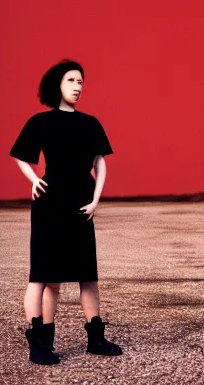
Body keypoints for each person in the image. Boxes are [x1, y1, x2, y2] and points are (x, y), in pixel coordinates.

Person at [10, 59, 122, 365]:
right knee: (43, 278)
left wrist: (97, 197)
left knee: (88, 275)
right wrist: (34, 179)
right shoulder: (41, 122)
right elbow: (20, 155)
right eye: (72, 80)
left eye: (81, 82)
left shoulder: (90, 123)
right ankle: (40, 342)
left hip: (81, 205)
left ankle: (95, 338)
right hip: (50, 204)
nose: (77, 87)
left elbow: (99, 161)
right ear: (57, 84)